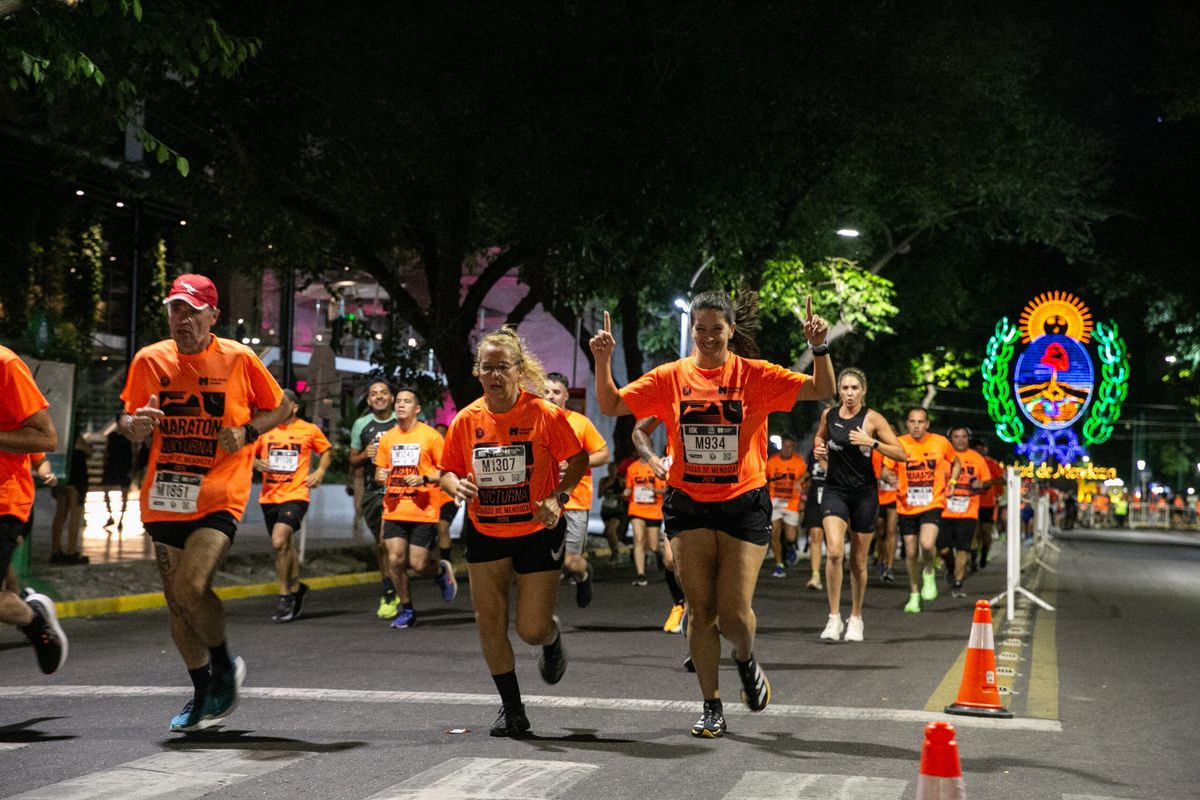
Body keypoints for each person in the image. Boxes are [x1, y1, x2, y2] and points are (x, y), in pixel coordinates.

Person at [590, 290, 834, 738]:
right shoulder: (670, 377)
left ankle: (744, 658)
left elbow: (823, 389)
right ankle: (711, 704)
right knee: (701, 612)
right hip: (689, 502)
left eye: (715, 329)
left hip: (743, 502)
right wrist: (602, 360)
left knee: (734, 614)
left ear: (730, 331)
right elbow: (611, 405)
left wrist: (819, 347)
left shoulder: (755, 376)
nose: (706, 337)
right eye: (698, 328)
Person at [119, 273, 289, 732]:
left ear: (212, 315)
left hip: (219, 491)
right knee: (176, 603)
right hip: (166, 496)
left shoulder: (238, 357)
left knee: (192, 586)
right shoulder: (149, 360)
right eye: (176, 309)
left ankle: (222, 666)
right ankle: (201, 692)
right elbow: (128, 416)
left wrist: (248, 431)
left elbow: (283, 406)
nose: (182, 319)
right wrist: (132, 426)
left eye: (192, 311)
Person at [438, 326, 588, 738]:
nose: (495, 375)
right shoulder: (467, 420)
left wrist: (558, 496)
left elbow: (577, 460)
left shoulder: (544, 413)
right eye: (487, 368)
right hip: (486, 528)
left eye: (503, 367)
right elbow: (446, 470)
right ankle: (512, 709)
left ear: (518, 371)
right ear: (478, 372)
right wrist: (456, 486)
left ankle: (552, 639)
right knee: (489, 621)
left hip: (536, 529)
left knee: (530, 629)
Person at [813, 368, 908, 641]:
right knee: (833, 552)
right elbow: (821, 437)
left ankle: (856, 617)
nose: (850, 393)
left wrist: (872, 442)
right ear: (839, 391)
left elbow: (902, 454)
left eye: (855, 388)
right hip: (834, 491)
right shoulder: (828, 416)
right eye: (845, 388)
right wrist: (820, 448)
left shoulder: (872, 419)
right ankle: (833, 618)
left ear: (863, 391)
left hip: (864, 494)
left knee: (857, 560)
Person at [0, 344, 67, 675]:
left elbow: (46, 438)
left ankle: (33, 620)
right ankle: (29, 610)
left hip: (4, 501)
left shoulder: (6, 365)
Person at [374, 387, 457, 629]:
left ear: (417, 409)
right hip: (394, 508)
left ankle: (440, 571)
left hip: (423, 510)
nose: (400, 405)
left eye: (406, 401)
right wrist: (381, 475)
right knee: (396, 561)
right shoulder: (388, 438)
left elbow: (447, 470)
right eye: (398, 401)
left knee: (419, 565)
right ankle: (407, 609)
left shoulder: (431, 437)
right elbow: (381, 472)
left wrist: (424, 479)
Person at [252, 389, 332, 622]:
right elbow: (247, 454)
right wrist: (256, 463)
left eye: (282, 404)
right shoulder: (265, 429)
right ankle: (297, 589)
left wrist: (320, 470)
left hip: (296, 494)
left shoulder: (309, 430)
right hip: (269, 497)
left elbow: (326, 451)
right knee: (284, 546)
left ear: (294, 407)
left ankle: (284, 595)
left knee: (279, 540)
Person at [543, 372, 610, 606]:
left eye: (556, 392)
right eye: (546, 391)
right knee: (540, 560)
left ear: (566, 396)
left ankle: (583, 574)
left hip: (574, 501)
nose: (550, 396)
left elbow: (604, 454)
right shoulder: (535, 423)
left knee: (571, 562)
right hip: (543, 502)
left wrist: (577, 463)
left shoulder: (580, 423)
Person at [894, 407, 961, 614]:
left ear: (927, 424)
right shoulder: (899, 443)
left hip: (932, 502)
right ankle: (914, 593)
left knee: (927, 543)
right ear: (907, 424)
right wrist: (889, 477)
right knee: (911, 551)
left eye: (920, 422)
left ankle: (929, 570)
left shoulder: (940, 442)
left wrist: (952, 480)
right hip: (906, 504)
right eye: (912, 422)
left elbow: (956, 462)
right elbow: (887, 469)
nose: (916, 426)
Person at [632, 417, 687, 631]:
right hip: (676, 509)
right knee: (671, 561)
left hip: (709, 507)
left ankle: (703, 610)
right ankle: (679, 605)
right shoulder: (667, 458)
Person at [349, 381, 398, 617]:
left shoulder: (402, 421)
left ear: (391, 398)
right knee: (381, 545)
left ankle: (392, 590)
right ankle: (390, 585)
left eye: (383, 393)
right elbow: (352, 459)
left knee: (387, 542)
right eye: (374, 394)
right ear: (369, 400)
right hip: (372, 492)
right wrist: (363, 455)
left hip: (399, 491)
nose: (378, 397)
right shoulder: (362, 424)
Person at [941, 426, 990, 597]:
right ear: (950, 439)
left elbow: (987, 481)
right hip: (944, 510)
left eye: (963, 437)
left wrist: (981, 484)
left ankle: (958, 582)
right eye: (956, 436)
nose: (960, 440)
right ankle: (950, 565)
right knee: (943, 548)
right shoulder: (943, 456)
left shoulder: (977, 458)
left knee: (963, 547)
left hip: (968, 510)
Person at [624, 443, 666, 586]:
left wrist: (654, 491)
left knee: (653, 545)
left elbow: (665, 490)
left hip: (654, 509)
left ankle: (659, 554)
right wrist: (626, 493)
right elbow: (628, 488)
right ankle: (641, 574)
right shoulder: (632, 468)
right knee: (638, 539)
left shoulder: (657, 467)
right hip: (636, 508)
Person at [764, 434, 806, 578]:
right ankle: (779, 564)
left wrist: (803, 499)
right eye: (785, 446)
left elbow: (806, 481)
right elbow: (765, 479)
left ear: (794, 447)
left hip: (791, 502)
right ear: (781, 445)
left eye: (790, 447)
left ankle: (789, 547)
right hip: (774, 501)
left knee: (790, 536)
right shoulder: (772, 461)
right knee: (774, 533)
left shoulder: (799, 462)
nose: (787, 449)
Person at [50, 431, 90, 564]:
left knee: (60, 514)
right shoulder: (77, 437)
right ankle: (72, 551)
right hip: (77, 479)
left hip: (61, 476)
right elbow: (87, 451)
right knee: (75, 516)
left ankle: (56, 551)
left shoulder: (60, 433)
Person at [970, 438, 1005, 569]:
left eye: (982, 448)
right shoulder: (967, 461)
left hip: (988, 504)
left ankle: (984, 555)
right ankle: (973, 559)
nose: (979, 451)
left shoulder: (992, 464)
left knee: (986, 532)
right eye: (976, 448)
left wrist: (988, 483)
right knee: (974, 532)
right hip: (972, 503)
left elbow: (1002, 480)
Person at [100, 415, 135, 531]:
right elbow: (106, 452)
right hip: (114, 466)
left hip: (122, 466)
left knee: (123, 494)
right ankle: (112, 517)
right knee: (107, 492)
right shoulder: (113, 436)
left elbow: (134, 454)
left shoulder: (128, 437)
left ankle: (120, 519)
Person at [872, 447, 899, 582]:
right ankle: (881, 560)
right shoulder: (874, 452)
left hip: (894, 497)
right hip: (877, 497)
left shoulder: (897, 451)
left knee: (891, 530)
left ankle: (889, 566)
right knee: (880, 532)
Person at [802, 448, 827, 591]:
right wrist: (800, 480)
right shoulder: (814, 452)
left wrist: (825, 460)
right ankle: (815, 575)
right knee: (815, 536)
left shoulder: (840, 447)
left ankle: (836, 572)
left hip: (834, 497)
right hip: (814, 499)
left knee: (833, 542)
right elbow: (809, 471)